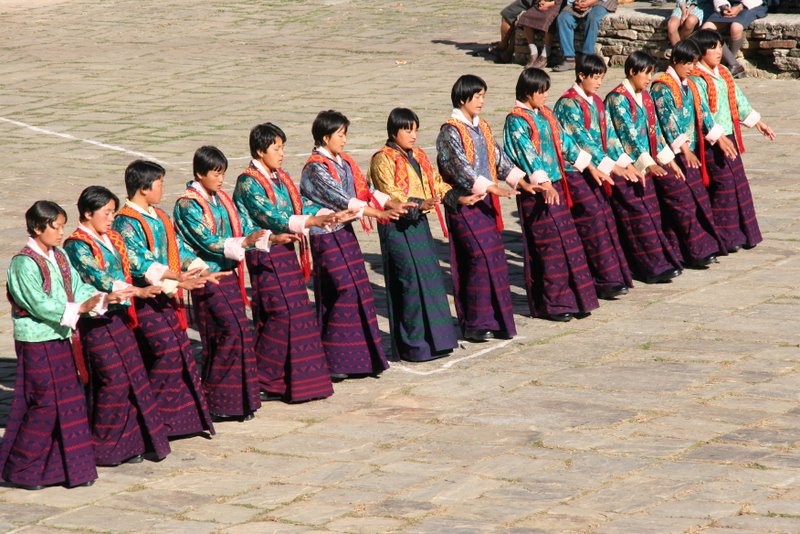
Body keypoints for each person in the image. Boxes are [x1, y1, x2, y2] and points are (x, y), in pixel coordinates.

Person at [1, 201, 107, 490]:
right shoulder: (23, 263)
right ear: (37, 228)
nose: (61, 232)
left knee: (71, 402)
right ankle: (21, 468)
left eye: (62, 226)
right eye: (55, 227)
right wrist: (77, 308)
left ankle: (69, 468)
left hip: (60, 338)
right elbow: (38, 303)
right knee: (44, 404)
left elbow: (76, 286)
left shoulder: (59, 256)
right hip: (36, 341)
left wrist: (98, 298)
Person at [64, 186, 171, 466]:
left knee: (131, 378)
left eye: (113, 212)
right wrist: (137, 291)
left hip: (120, 318)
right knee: (113, 379)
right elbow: (99, 278)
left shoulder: (112, 238)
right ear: (88, 213)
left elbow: (131, 266)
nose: (111, 218)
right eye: (106, 213)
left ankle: (130, 443)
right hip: (96, 322)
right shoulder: (76, 245)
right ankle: (104, 445)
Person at [113, 159, 219, 438]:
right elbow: (138, 261)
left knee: (179, 351)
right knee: (166, 352)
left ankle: (178, 421)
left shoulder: (159, 216)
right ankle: (151, 418)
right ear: (144, 188)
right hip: (145, 299)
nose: (162, 188)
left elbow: (178, 248)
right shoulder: (126, 222)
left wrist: (198, 267)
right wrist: (177, 278)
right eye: (159, 183)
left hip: (166, 296)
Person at [300, 110, 406, 380]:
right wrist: (378, 214)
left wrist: (389, 202)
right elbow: (342, 199)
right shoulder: (315, 168)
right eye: (340, 135)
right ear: (326, 137)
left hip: (345, 232)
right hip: (325, 235)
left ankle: (361, 359)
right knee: (342, 290)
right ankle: (335, 359)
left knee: (360, 289)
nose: (344, 140)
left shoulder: (345, 162)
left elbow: (364, 189)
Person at [233, 123, 335, 401]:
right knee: (280, 313)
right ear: (260, 150)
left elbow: (298, 206)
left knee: (297, 313)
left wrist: (327, 212)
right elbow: (270, 216)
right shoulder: (248, 182)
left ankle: (296, 380)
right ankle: (265, 376)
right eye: (276, 148)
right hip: (265, 252)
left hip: (285, 251)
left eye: (282, 147)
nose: (281, 153)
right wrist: (310, 221)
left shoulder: (281, 177)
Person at [173, 146, 265, 421]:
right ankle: (218, 399)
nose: (221, 179)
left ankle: (239, 400)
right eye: (215, 173)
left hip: (228, 275)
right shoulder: (187, 205)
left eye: (222, 173)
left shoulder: (222, 198)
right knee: (228, 332)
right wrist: (244, 243)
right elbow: (207, 241)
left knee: (237, 333)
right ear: (200, 173)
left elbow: (241, 227)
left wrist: (265, 238)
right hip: (206, 275)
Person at [504, 68, 603, 321]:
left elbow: (565, 143)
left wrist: (588, 164)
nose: (545, 96)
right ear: (528, 92)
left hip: (556, 187)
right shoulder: (516, 120)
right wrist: (543, 182)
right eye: (541, 91)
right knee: (549, 249)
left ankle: (578, 299)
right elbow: (527, 153)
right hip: (538, 191)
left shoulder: (546, 114)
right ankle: (555, 304)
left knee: (569, 244)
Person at [436, 74, 527, 339]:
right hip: (465, 205)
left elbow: (499, 158)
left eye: (483, 96)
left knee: (495, 259)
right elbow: (459, 168)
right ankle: (476, 322)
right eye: (477, 97)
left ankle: (497, 320)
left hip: (485, 203)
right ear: (463, 98)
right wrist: (490, 187)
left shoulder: (482, 126)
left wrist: (521, 181)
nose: (481, 102)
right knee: (477, 259)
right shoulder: (449, 131)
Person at [368, 107, 459, 361]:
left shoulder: (418, 155)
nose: (413, 135)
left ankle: (437, 341)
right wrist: (418, 204)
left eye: (415, 130)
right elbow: (390, 192)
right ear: (394, 131)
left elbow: (435, 183)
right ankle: (414, 345)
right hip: (397, 226)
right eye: (408, 130)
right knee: (408, 282)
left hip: (420, 224)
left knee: (429, 281)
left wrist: (456, 195)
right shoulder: (382, 159)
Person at [553, 54, 636, 300]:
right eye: (596, 77)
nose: (599, 82)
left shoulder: (597, 102)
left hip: (597, 168)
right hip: (574, 170)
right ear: (581, 75)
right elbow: (582, 141)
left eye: (602, 77)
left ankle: (613, 275)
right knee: (592, 218)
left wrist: (623, 163)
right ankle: (600, 279)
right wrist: (610, 167)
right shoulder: (568, 104)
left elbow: (609, 136)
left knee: (604, 216)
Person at [689, 29, 775, 251]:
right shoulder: (696, 80)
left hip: (730, 136)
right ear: (700, 52)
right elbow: (702, 112)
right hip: (712, 140)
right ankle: (725, 238)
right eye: (712, 48)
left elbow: (739, 100)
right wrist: (717, 138)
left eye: (720, 46)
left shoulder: (724, 72)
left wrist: (758, 122)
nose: (718, 51)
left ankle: (744, 234)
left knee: (739, 183)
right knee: (723, 186)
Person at [650, 40, 734, 267]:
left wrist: (720, 137)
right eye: (687, 63)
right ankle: (693, 252)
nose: (691, 68)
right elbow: (668, 121)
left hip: (691, 151)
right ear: (675, 61)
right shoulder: (661, 86)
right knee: (682, 204)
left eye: (693, 63)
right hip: (672, 152)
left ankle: (698, 249)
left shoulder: (691, 84)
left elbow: (704, 112)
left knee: (699, 201)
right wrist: (685, 150)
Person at [604, 51, 684, 283]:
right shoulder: (617, 99)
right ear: (632, 71)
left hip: (645, 167)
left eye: (651, 73)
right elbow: (627, 136)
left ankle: (659, 262)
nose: (649, 78)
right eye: (646, 73)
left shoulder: (645, 97)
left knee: (651, 215)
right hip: (625, 165)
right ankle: (648, 267)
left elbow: (655, 132)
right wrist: (647, 163)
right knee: (637, 218)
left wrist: (668, 160)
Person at [702, 0, 768, 76]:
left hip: (751, 6)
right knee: (706, 29)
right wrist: (724, 6)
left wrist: (740, 7)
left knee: (736, 28)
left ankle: (729, 64)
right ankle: (734, 64)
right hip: (729, 5)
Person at [552, 0, 618, 72]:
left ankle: (587, 57)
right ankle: (569, 59)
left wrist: (590, 2)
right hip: (580, 1)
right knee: (563, 18)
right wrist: (577, 2)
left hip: (601, 2)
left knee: (593, 18)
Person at [517, 0, 565, 68]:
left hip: (558, 4)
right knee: (526, 16)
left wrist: (550, 4)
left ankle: (545, 54)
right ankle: (533, 52)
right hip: (544, 2)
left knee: (548, 19)